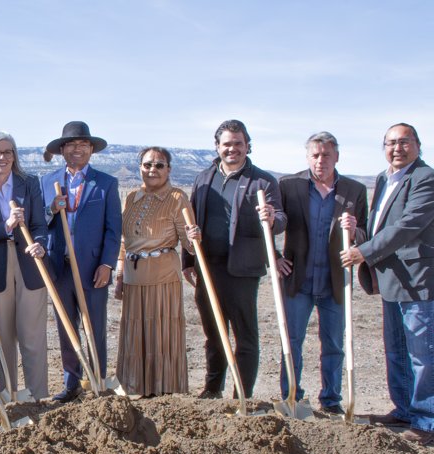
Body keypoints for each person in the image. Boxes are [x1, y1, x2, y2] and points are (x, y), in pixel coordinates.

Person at [343, 123, 434, 446]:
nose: (397, 148)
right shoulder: (383, 179)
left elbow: (409, 225)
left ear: (418, 145)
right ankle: (405, 410)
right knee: (397, 350)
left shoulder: (425, 178)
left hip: (418, 281)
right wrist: (358, 231)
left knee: (423, 354)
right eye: (391, 143)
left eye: (404, 142)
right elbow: (380, 225)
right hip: (390, 280)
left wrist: (363, 252)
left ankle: (427, 421)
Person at [181, 119, 285, 400]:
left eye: (238, 143)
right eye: (226, 144)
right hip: (207, 267)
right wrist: (187, 261)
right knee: (214, 333)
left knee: (245, 336)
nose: (232, 149)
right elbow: (190, 220)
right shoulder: (204, 178)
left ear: (247, 146)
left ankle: (243, 394)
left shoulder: (263, 181)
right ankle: (213, 388)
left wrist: (273, 218)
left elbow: (282, 219)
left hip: (242, 269)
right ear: (217, 147)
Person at [275, 132, 367, 415]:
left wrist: (355, 232)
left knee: (334, 345)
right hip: (298, 281)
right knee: (291, 343)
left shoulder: (355, 190)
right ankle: (292, 397)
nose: (320, 160)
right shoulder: (288, 185)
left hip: (336, 282)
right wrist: (276, 258)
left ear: (336, 157)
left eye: (326, 154)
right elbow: (270, 225)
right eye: (315, 155)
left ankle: (331, 400)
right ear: (307, 157)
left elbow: (366, 235)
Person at [41, 121, 122, 402]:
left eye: (83, 145)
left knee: (95, 327)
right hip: (59, 267)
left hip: (92, 269)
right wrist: (51, 209)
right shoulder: (47, 181)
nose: (78, 149)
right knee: (66, 327)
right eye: (72, 145)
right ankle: (71, 383)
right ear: (62, 150)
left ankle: (98, 380)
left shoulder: (106, 183)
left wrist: (107, 264)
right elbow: (38, 221)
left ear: (91, 150)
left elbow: (114, 228)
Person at [0, 132, 50, 400]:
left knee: (32, 337)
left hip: (29, 263)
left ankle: (37, 398)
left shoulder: (29, 183)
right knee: (3, 339)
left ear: (14, 155)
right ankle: (10, 398)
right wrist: (7, 225)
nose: (2, 157)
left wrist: (40, 243)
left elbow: (39, 225)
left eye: (8, 152)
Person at [112, 147, 196, 396]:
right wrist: (119, 277)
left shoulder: (178, 197)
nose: (153, 170)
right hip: (133, 278)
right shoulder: (131, 196)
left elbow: (189, 245)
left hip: (163, 279)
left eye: (160, 165)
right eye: (148, 165)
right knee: (135, 334)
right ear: (140, 168)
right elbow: (124, 242)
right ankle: (135, 387)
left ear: (169, 169)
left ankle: (165, 391)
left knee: (162, 334)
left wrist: (194, 237)